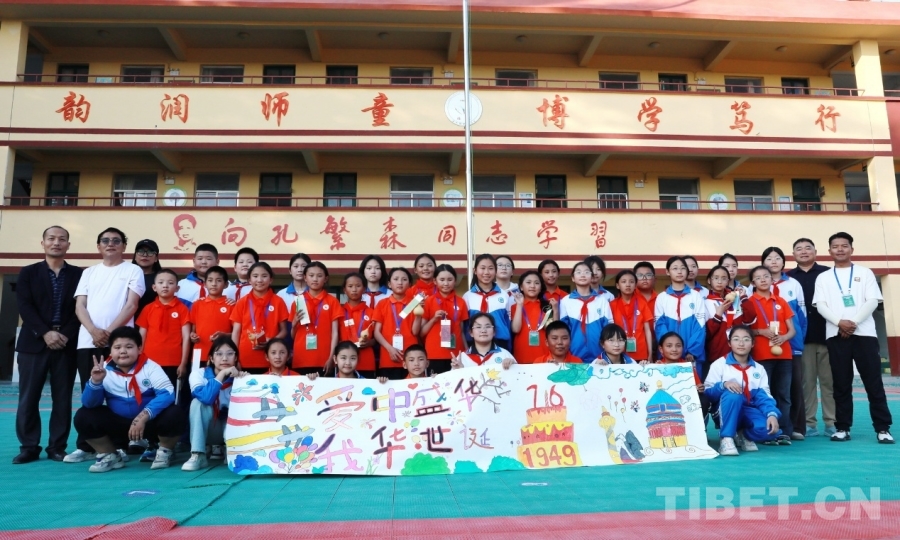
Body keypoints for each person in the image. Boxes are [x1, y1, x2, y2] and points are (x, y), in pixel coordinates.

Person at [68, 227, 145, 464]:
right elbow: (80, 306)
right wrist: (93, 330)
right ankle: (86, 445)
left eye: (116, 240)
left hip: (119, 343)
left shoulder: (133, 270)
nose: (110, 244)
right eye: (105, 240)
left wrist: (109, 334)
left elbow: (131, 305)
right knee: (90, 391)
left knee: (118, 393)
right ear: (98, 246)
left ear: (124, 246)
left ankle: (118, 445)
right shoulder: (89, 272)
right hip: (87, 341)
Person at [813, 232, 894, 444]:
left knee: (873, 382)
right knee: (841, 383)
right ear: (829, 251)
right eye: (835, 246)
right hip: (835, 335)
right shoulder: (823, 277)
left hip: (864, 334)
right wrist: (839, 322)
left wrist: (852, 323)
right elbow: (821, 305)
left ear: (851, 249)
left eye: (844, 245)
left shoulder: (865, 273)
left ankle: (883, 428)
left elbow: (872, 301)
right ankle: (842, 427)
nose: (840, 249)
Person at [14, 226, 83, 464]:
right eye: (51, 239)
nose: (56, 242)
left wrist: (64, 334)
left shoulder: (79, 274)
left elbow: (81, 308)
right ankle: (29, 447)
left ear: (68, 245)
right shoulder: (28, 272)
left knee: (62, 398)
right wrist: (45, 332)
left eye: (62, 239)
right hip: (33, 343)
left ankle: (57, 447)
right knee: (28, 397)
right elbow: (24, 306)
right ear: (42, 243)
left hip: (66, 343)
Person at [72, 327, 185, 472]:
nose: (123, 351)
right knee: (83, 416)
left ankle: (165, 451)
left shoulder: (151, 367)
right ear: (110, 351)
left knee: (175, 413)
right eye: (117, 347)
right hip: (119, 425)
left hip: (148, 423)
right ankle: (110, 455)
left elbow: (167, 394)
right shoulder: (103, 369)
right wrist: (96, 382)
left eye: (129, 347)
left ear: (139, 349)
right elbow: (89, 403)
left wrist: (142, 417)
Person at [704, 325, 782, 456]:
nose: (741, 343)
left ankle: (743, 434)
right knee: (734, 395)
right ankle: (726, 438)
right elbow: (708, 393)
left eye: (746, 339)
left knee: (768, 429)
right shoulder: (719, 365)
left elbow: (764, 396)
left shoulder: (759, 369)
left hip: (748, 410)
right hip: (724, 410)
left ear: (753, 344)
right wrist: (723, 385)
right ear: (729, 343)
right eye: (736, 339)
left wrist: (772, 414)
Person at [788, 237, 835, 437]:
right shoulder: (788, 278)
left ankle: (832, 422)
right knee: (806, 384)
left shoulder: (828, 274)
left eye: (808, 248)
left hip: (829, 336)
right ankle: (809, 423)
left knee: (829, 382)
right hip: (802, 340)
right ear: (793, 254)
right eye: (799, 249)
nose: (804, 251)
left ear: (815, 252)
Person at [761, 246, 808, 440]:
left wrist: (798, 340)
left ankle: (796, 427)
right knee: (768, 388)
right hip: (764, 346)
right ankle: (768, 428)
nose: (773, 261)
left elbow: (802, 316)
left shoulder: (793, 284)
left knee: (793, 387)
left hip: (790, 345)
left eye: (777, 258)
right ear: (763, 262)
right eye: (769, 258)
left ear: (783, 261)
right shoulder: (756, 285)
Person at [746, 265, 795, 445]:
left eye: (766, 276)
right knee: (763, 395)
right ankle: (765, 431)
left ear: (772, 279)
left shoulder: (781, 301)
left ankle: (784, 431)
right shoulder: (749, 302)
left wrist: (783, 337)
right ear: (753, 283)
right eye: (758, 277)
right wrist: (761, 331)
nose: (763, 279)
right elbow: (745, 330)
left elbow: (792, 330)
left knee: (784, 395)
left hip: (784, 355)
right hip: (761, 355)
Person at [183, 336, 245, 471]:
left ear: (236, 358)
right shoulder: (198, 374)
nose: (224, 358)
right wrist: (222, 374)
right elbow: (206, 398)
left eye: (230, 354)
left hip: (230, 429)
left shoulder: (241, 378)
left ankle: (232, 450)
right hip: (209, 429)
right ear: (211, 358)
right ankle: (198, 454)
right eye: (219, 354)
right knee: (197, 403)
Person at [230, 262, 289, 373]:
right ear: (249, 280)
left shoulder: (278, 301)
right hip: (245, 358)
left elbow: (284, 331)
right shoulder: (242, 302)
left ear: (271, 279)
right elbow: (236, 333)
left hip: (271, 360)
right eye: (255, 276)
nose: (260, 280)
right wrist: (235, 358)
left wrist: (271, 341)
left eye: (264, 276)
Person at [136, 270, 191, 386]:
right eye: (161, 282)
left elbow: (186, 337)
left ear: (177, 288)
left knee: (171, 392)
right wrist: (139, 358)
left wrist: (183, 363)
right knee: (150, 392)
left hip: (174, 361)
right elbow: (141, 336)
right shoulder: (148, 309)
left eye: (170, 283)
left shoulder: (183, 309)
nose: (165, 286)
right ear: (154, 287)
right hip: (149, 361)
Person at [290, 262, 342, 376]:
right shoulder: (299, 301)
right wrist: (294, 324)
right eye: (311, 275)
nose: (315, 279)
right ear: (305, 278)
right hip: (301, 358)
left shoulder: (332, 301)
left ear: (326, 279)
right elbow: (293, 336)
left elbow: (335, 333)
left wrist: (331, 357)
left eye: (319, 276)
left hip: (324, 358)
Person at [654, 256, 706, 366]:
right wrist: (669, 348)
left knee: (693, 378)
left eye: (683, 268)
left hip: (691, 357)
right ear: (667, 272)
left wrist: (692, 351)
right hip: (668, 357)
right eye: (675, 268)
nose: (679, 271)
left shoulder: (696, 296)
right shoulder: (662, 297)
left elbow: (700, 327)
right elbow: (659, 326)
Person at [373, 267, 421, 380]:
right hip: (388, 357)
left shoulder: (413, 303)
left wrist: (419, 312)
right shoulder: (382, 304)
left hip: (410, 359)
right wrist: (390, 349)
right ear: (389, 284)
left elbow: (415, 332)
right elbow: (376, 332)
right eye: (396, 279)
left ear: (409, 284)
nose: (400, 282)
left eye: (404, 279)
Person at [419, 264, 468, 374]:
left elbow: (461, 331)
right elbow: (421, 332)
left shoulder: (461, 302)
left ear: (455, 281)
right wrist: (434, 319)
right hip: (434, 354)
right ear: (435, 281)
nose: (446, 283)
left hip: (456, 354)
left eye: (450, 280)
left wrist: (466, 351)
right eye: (442, 280)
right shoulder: (429, 301)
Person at [559, 261, 611, 363]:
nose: (583, 275)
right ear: (573, 278)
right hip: (573, 355)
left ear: (591, 277)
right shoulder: (566, 301)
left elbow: (608, 328)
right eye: (578, 272)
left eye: (587, 272)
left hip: (599, 356)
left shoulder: (602, 300)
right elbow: (563, 330)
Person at [705, 265, 757, 364]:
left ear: (728, 281)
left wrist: (743, 297)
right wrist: (718, 315)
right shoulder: (705, 302)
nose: (720, 281)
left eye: (724, 278)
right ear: (709, 280)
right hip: (717, 354)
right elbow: (706, 334)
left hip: (739, 353)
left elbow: (750, 319)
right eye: (716, 278)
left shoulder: (736, 299)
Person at [463, 254, 513, 351]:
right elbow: (464, 326)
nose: (486, 272)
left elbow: (508, 323)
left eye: (490, 268)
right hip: (474, 344)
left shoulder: (504, 295)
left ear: (495, 271)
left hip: (501, 344)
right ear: (475, 271)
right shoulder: (467, 297)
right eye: (482, 268)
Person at [189, 266, 234, 364]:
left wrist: (224, 335)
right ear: (205, 284)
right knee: (197, 374)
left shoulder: (231, 305)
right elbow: (193, 331)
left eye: (218, 280)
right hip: (199, 354)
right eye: (210, 280)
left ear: (226, 284)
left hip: (223, 355)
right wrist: (193, 336)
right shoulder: (197, 304)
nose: (214, 284)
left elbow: (238, 333)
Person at [511, 271, 557, 364]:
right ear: (521, 287)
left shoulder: (547, 306)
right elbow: (516, 329)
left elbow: (553, 331)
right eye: (528, 282)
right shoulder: (515, 306)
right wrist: (519, 305)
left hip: (544, 355)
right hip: (522, 355)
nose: (532, 286)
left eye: (536, 283)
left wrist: (555, 310)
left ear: (541, 288)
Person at [609, 270, 653, 363]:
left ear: (635, 285)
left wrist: (650, 354)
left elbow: (647, 330)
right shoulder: (612, 305)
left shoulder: (642, 303)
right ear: (617, 285)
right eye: (624, 282)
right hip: (619, 352)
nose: (628, 285)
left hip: (641, 353)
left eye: (631, 282)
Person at [338, 273, 376, 378]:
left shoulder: (371, 312)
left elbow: (377, 338)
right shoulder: (339, 311)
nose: (354, 289)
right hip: (344, 363)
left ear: (364, 289)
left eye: (358, 286)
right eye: (350, 286)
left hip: (366, 361)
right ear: (344, 289)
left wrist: (369, 342)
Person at [450, 313, 516, 370]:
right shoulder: (462, 358)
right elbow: (454, 380)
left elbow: (517, 377)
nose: (483, 330)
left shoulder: (505, 355)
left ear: (494, 332)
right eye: (478, 327)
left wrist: (513, 366)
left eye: (488, 326)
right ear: (471, 333)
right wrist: (459, 371)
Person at [132, 239, 161, 318]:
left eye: (150, 252)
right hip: (128, 320)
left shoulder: (161, 278)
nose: (145, 255)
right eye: (140, 251)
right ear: (135, 256)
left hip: (153, 319)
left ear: (156, 258)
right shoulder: (126, 276)